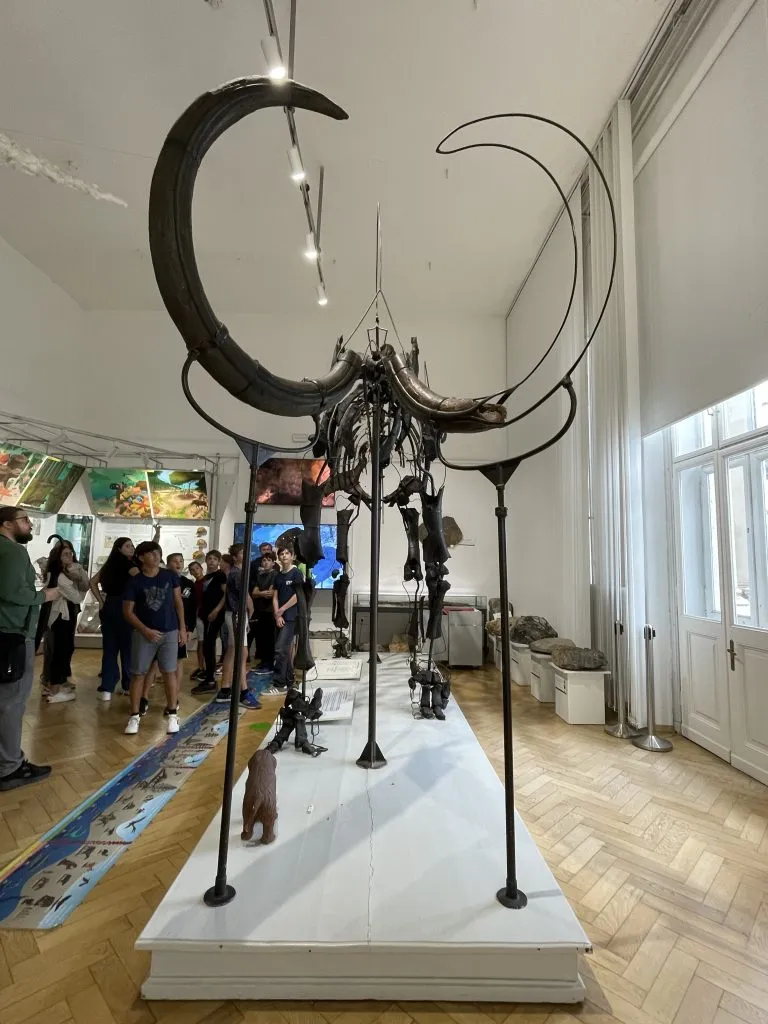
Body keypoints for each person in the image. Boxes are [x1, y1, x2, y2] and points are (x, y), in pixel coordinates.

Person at [0, 507, 59, 791]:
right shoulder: (13, 552)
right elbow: (13, 592)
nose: (30, 524)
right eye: (24, 520)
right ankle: (10, 767)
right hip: (12, 634)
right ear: (7, 524)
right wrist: (44, 595)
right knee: (12, 702)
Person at [122, 541, 187, 735]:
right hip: (144, 633)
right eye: (151, 553)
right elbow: (128, 612)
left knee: (169, 672)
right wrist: (145, 630)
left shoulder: (170, 576)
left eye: (158, 552)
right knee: (138, 674)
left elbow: (178, 602)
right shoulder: (135, 582)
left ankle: (173, 714)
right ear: (141, 557)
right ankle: (134, 716)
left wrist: (183, 628)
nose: (156, 556)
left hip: (170, 631)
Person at [90, 537, 138, 700]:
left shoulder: (108, 565)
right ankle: (128, 685)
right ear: (119, 549)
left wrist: (101, 601)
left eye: (132, 546)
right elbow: (141, 582)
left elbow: (92, 582)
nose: (131, 548)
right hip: (126, 607)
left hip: (109, 606)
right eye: (127, 546)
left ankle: (107, 688)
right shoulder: (130, 566)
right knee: (127, 647)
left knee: (110, 649)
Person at [41, 542, 90, 703]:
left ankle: (55, 686)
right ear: (58, 556)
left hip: (65, 615)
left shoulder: (65, 573)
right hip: (60, 617)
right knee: (59, 651)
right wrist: (77, 581)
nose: (70, 557)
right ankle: (54, 689)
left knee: (64, 649)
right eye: (65, 554)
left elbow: (84, 585)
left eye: (71, 553)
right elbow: (77, 597)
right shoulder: (60, 576)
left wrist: (77, 574)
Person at [215, 544, 261, 709]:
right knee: (242, 653)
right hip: (236, 614)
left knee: (232, 651)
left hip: (237, 615)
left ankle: (225, 689)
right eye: (242, 553)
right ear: (234, 557)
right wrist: (250, 609)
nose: (245, 554)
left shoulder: (238, 572)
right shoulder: (237, 573)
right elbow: (245, 596)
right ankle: (243, 692)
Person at [263, 545, 303, 695]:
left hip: (291, 617)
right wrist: (277, 614)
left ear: (292, 556)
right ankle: (289, 681)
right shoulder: (278, 576)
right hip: (280, 617)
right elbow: (275, 596)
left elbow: (297, 595)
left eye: (287, 553)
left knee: (281, 650)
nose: (284, 556)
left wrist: (283, 609)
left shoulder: (296, 573)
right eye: (281, 554)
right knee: (283, 650)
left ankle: (279, 684)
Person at [192, 550, 226, 695]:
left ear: (218, 561)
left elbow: (226, 594)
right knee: (207, 646)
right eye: (209, 558)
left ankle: (211, 680)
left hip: (214, 616)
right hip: (206, 615)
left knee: (209, 645)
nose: (212, 561)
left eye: (215, 559)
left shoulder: (220, 575)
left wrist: (216, 610)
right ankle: (209, 675)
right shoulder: (207, 577)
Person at [251, 550, 277, 671]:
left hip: (270, 611)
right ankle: (263, 661)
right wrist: (261, 593)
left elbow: (270, 594)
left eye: (269, 560)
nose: (266, 562)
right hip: (260, 610)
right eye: (264, 560)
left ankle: (270, 663)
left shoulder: (275, 575)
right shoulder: (260, 575)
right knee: (261, 638)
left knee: (269, 638)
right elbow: (254, 593)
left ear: (273, 563)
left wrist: (259, 593)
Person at [187, 560, 206, 681]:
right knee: (201, 642)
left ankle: (207, 668)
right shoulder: (193, 585)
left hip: (209, 616)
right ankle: (201, 667)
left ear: (201, 569)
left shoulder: (208, 581)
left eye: (197, 568)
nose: (196, 571)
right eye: (193, 570)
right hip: (199, 617)